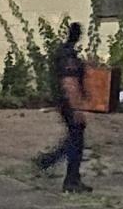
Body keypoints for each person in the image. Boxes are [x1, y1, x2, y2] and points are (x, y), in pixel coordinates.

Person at [34, 22, 92, 192]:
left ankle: (47, 161)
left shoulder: (62, 52)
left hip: (63, 102)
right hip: (69, 104)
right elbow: (69, 82)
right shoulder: (69, 56)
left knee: (73, 139)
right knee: (76, 142)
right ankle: (71, 181)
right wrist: (77, 108)